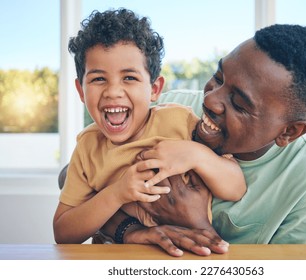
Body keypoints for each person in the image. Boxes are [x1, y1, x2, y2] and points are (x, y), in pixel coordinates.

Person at [98, 23, 306, 257]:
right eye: (218, 77)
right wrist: (132, 231)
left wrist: (198, 227)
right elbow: (75, 179)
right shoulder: (171, 110)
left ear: (289, 132)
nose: (211, 100)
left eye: (239, 104)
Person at [53, 8, 246, 244]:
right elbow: (63, 233)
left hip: (192, 254)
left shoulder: (178, 121)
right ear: (81, 91)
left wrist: (197, 155)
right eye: (98, 79)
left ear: (154, 89)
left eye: (130, 78)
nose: (113, 91)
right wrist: (117, 194)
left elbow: (236, 188)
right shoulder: (87, 147)